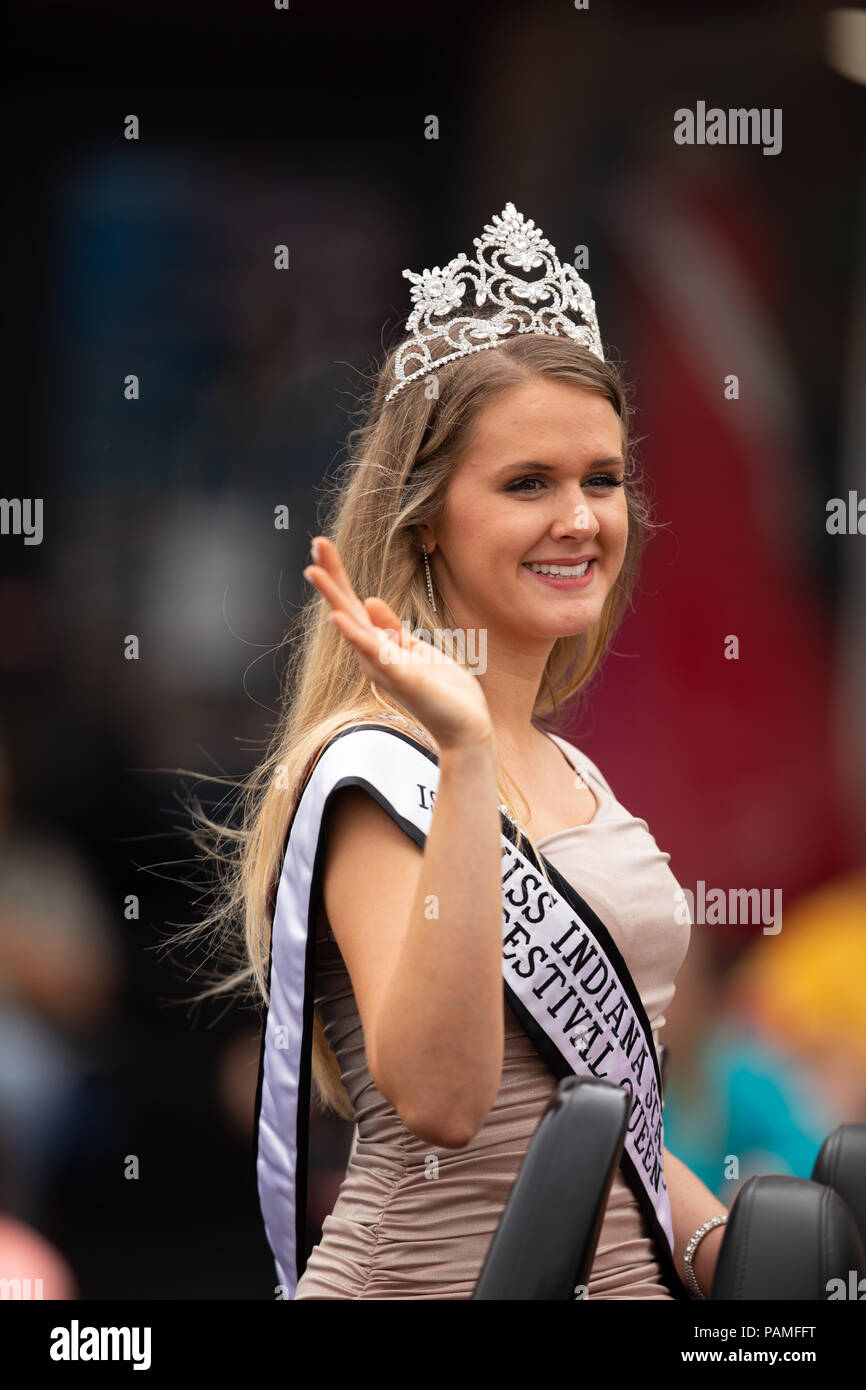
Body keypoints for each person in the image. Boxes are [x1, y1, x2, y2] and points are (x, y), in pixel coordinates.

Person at [185, 203, 729, 1299]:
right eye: (527, 482)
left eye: (601, 479)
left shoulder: (580, 775)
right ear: (427, 517)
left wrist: (737, 1246)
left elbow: (608, 1135)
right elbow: (442, 1101)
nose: (578, 517)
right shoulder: (376, 770)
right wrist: (467, 754)